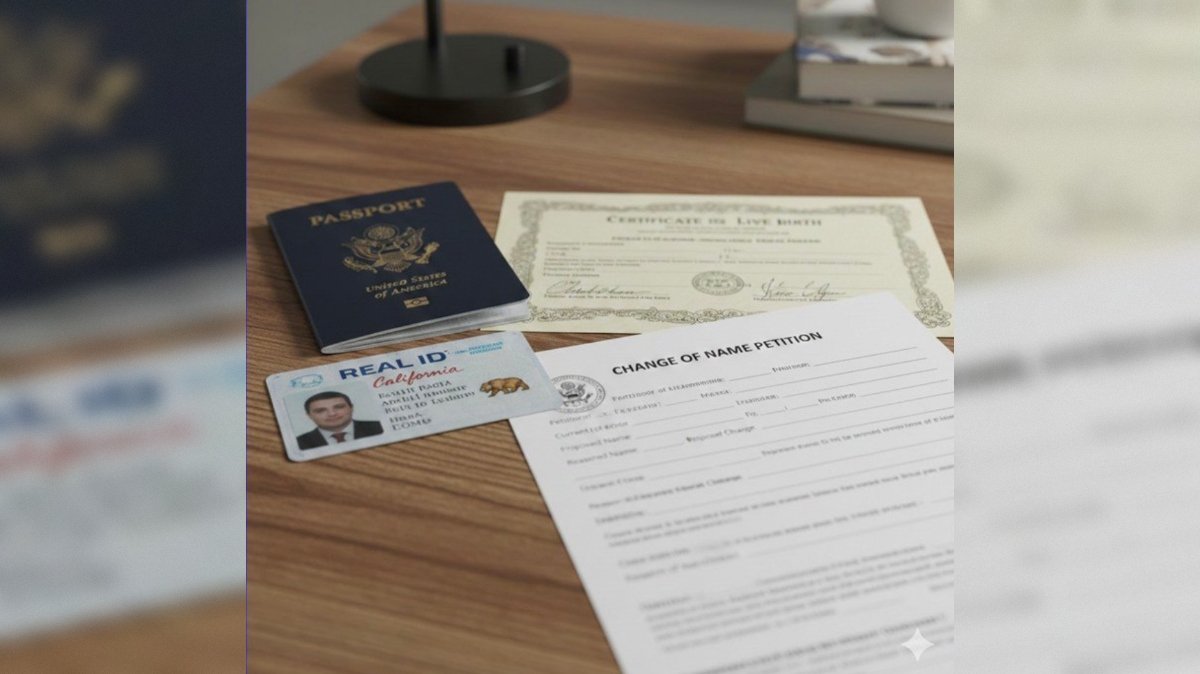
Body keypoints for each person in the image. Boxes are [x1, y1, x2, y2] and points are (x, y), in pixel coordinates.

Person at [295, 391, 383, 449]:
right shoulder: (299, 443)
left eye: (339, 407)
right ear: (309, 416)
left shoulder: (379, 427)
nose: (332, 414)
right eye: (320, 410)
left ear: (351, 408)